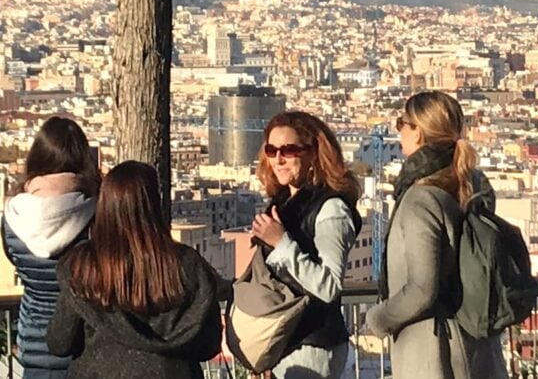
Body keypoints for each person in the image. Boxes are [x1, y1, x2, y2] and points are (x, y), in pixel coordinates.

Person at [366, 90, 508, 379]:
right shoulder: (472, 185)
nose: (399, 132)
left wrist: (378, 318)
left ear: (417, 132)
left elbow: (421, 289)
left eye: (401, 123)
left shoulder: (422, 199)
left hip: (434, 351)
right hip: (477, 342)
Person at [46, 161, 222, 378]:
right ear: (154, 205)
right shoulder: (187, 265)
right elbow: (209, 344)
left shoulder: (84, 267)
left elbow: (60, 342)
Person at [251, 111, 362, 379]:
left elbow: (329, 286)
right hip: (285, 343)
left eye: (289, 150)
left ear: (313, 153)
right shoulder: (284, 205)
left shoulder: (331, 209)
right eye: (272, 149)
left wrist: (281, 243)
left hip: (313, 345)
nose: (278, 159)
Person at [2, 116, 101, 379]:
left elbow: (15, 260)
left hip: (34, 343)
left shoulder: (12, 217)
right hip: (84, 345)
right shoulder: (93, 215)